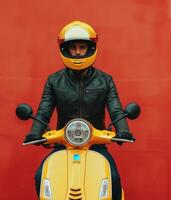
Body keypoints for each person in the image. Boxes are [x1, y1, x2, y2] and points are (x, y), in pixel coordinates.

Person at [23, 21, 133, 200]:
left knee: (113, 178)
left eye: (82, 47)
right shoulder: (54, 81)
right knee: (40, 177)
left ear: (91, 48)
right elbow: (44, 109)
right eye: (73, 48)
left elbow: (116, 108)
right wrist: (35, 132)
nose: (78, 52)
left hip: (96, 144)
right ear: (66, 50)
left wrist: (123, 130)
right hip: (62, 144)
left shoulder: (105, 81)